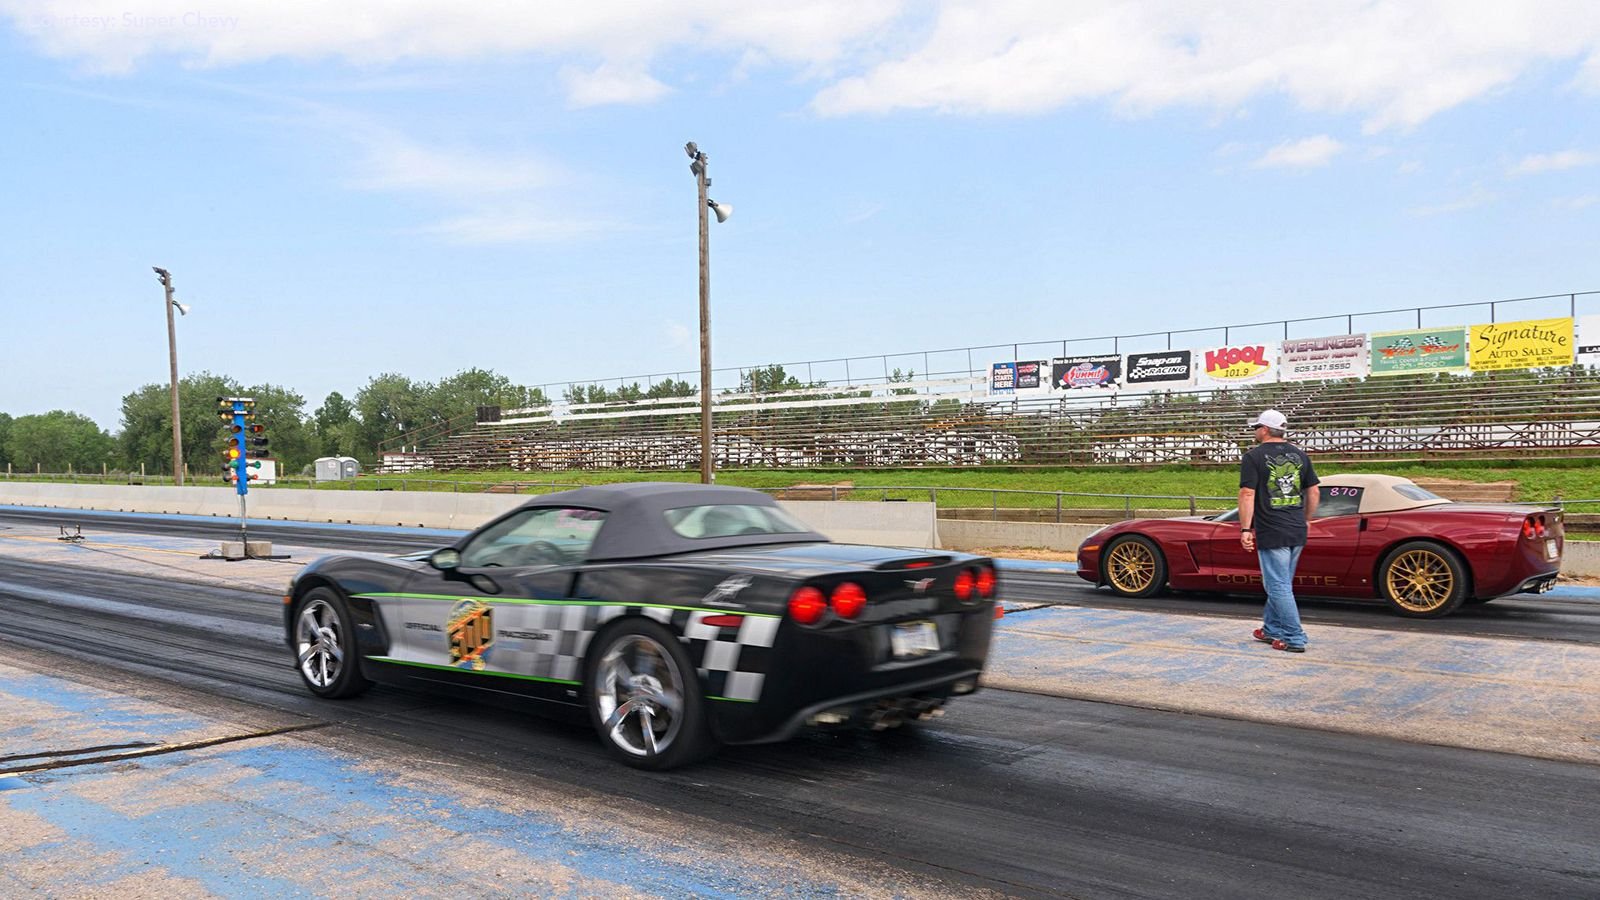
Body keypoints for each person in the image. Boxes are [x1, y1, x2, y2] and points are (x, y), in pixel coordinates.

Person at [1238, 409, 1319, 653]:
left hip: (1273, 530)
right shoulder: (1300, 454)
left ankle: (1294, 637)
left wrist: (1245, 529)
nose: (1254, 431)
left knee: (1277, 586)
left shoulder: (1253, 457)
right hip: (1296, 528)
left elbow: (1247, 494)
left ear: (1264, 429)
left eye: (1256, 427)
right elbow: (1313, 491)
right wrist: (1306, 519)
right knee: (1281, 582)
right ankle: (1271, 628)